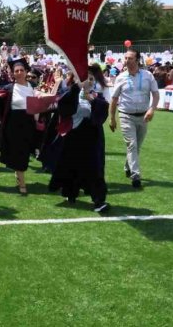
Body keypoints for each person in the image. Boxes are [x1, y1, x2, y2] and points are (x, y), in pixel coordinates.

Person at [48, 71, 110, 213]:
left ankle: (99, 200)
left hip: (92, 137)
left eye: (91, 79)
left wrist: (92, 100)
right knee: (71, 166)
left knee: (95, 169)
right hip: (73, 136)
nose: (89, 81)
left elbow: (102, 113)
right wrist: (77, 89)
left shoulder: (96, 96)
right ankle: (70, 193)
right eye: (86, 78)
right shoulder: (70, 93)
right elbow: (63, 107)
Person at [109, 49, 159, 189]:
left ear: (137, 60)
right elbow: (114, 99)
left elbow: (155, 94)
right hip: (126, 115)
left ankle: (128, 166)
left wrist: (152, 109)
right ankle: (136, 175)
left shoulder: (148, 75)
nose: (126, 60)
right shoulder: (120, 77)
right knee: (132, 144)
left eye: (130, 58)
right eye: (125, 58)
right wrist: (112, 118)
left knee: (137, 146)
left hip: (143, 116)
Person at [0, 59, 37, 195]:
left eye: (21, 70)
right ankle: (22, 183)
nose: (18, 72)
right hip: (14, 125)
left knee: (25, 152)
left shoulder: (32, 87)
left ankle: (19, 173)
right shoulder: (9, 88)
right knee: (19, 152)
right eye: (16, 71)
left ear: (26, 72)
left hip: (29, 123)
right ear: (12, 73)